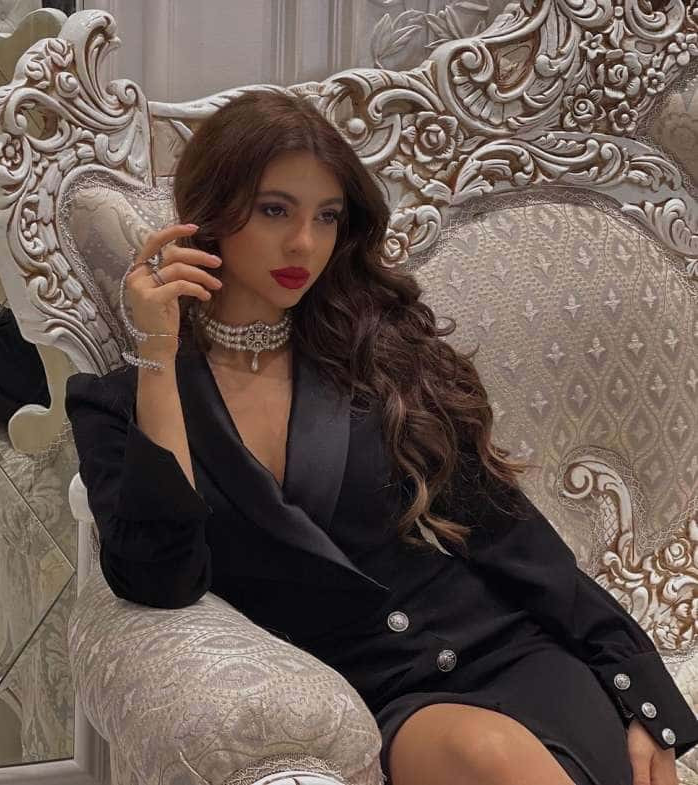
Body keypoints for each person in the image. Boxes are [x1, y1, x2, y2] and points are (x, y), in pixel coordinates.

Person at [64, 89, 698, 785]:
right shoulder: (122, 404)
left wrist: (636, 688)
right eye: (275, 210)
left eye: (326, 216)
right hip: (385, 698)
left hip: (520, 659)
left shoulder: (380, 354)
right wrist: (157, 350)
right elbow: (159, 579)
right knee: (488, 755)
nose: (304, 244)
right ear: (209, 212)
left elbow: (511, 537)